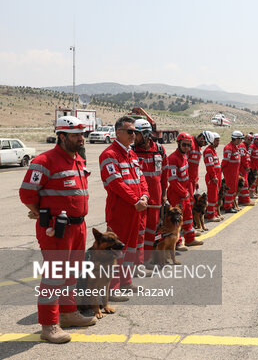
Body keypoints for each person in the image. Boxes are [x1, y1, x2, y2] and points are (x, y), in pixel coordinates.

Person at [19, 116, 96, 343]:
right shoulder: (44, 161)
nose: (81, 139)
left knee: (72, 274)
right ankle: (49, 325)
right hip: (56, 229)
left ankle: (69, 313)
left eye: (82, 134)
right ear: (62, 137)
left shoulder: (78, 160)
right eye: (75, 135)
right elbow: (27, 193)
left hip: (78, 226)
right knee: (54, 277)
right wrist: (39, 211)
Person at [99, 116, 149, 294]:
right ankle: (112, 289)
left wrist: (144, 195)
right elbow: (116, 183)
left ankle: (126, 282)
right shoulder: (109, 155)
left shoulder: (132, 154)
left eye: (135, 131)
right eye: (130, 131)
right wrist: (135, 200)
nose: (134, 135)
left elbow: (141, 178)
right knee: (116, 251)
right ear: (118, 132)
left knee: (131, 249)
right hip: (120, 210)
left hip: (136, 209)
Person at [131, 119, 168, 263]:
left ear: (146, 134)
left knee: (152, 230)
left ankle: (146, 259)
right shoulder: (132, 151)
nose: (134, 137)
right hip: (139, 199)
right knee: (139, 231)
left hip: (156, 199)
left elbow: (165, 174)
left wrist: (164, 194)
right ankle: (136, 261)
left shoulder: (159, 150)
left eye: (137, 134)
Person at [165, 132, 202, 247]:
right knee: (176, 220)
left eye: (188, 145)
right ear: (178, 144)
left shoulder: (184, 157)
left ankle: (190, 239)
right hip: (176, 194)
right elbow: (173, 181)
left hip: (184, 192)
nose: (186, 147)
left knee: (188, 217)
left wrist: (189, 189)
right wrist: (183, 192)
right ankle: (178, 243)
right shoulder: (172, 159)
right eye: (184, 145)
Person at [203, 131, 224, 222]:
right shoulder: (208, 151)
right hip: (212, 178)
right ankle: (211, 215)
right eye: (216, 141)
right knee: (212, 197)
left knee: (215, 196)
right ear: (211, 140)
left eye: (219, 141)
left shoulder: (213, 151)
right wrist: (214, 176)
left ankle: (214, 213)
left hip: (217, 176)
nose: (218, 143)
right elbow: (210, 166)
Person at [222, 131, 244, 213]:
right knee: (230, 190)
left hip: (235, 172)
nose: (241, 141)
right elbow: (225, 161)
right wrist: (221, 169)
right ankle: (227, 207)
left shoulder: (235, 147)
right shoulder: (229, 148)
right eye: (240, 139)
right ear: (236, 139)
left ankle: (231, 205)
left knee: (234, 189)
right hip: (229, 172)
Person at [188, 132, 206, 203]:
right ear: (201, 138)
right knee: (189, 199)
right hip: (187, 179)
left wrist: (196, 180)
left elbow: (196, 166)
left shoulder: (199, 147)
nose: (204, 145)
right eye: (205, 143)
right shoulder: (190, 144)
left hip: (193, 179)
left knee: (192, 199)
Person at [237, 134, 254, 206]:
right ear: (245, 139)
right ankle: (246, 200)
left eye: (251, 140)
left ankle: (241, 200)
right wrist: (247, 166)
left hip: (244, 168)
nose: (250, 141)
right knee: (245, 184)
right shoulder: (242, 146)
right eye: (249, 140)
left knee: (244, 184)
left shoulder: (246, 147)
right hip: (242, 168)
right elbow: (243, 158)